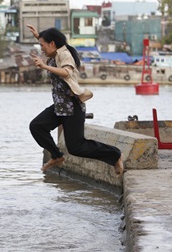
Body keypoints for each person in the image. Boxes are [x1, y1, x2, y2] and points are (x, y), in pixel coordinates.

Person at [27, 24, 124, 175]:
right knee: (36, 126)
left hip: (73, 106)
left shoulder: (65, 54)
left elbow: (66, 72)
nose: (41, 49)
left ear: (52, 44)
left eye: (42, 45)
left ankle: (115, 154)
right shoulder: (55, 52)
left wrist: (45, 67)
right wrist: (38, 35)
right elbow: (49, 46)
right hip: (60, 106)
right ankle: (57, 156)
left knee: (76, 147)